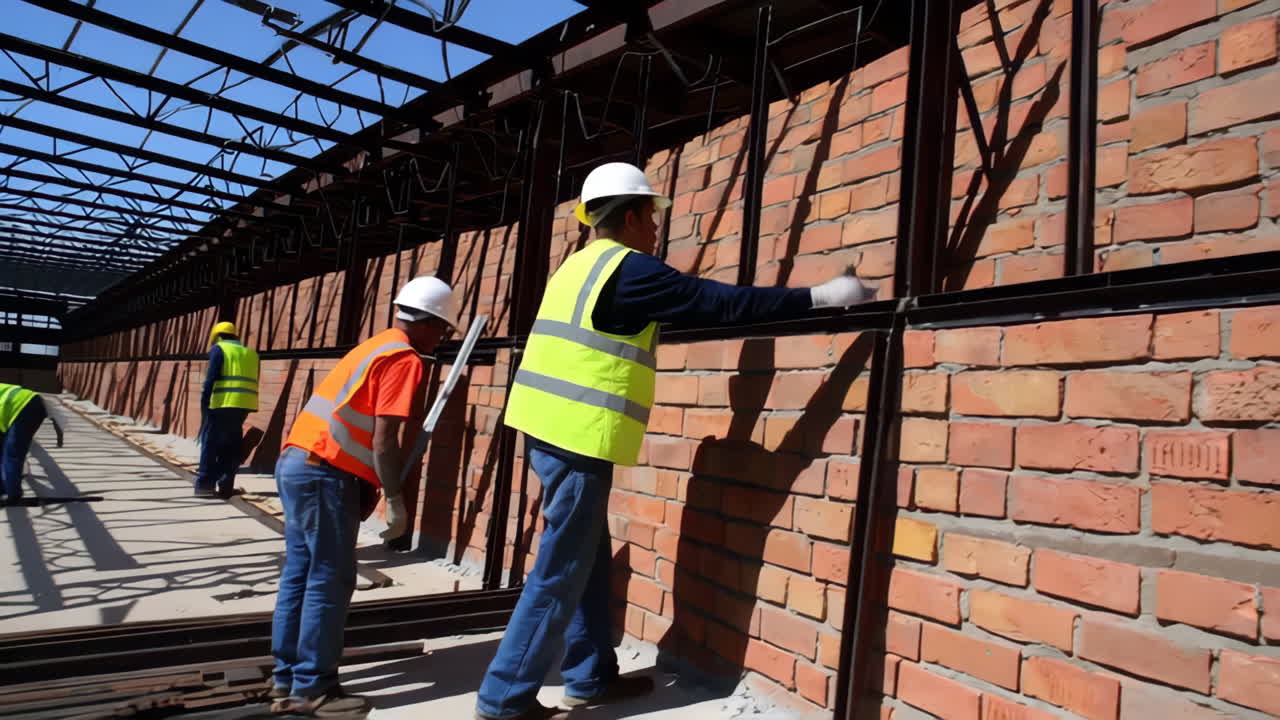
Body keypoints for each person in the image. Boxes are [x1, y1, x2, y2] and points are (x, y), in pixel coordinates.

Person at [475, 162, 873, 720]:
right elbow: (724, 304)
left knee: (586, 555)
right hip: (578, 439)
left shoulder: (576, 267)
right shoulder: (632, 271)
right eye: (653, 216)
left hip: (545, 430)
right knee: (561, 568)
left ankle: (589, 677)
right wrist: (824, 296)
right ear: (633, 215)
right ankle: (504, 700)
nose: (658, 229)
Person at [269, 276, 456, 716]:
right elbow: (385, 439)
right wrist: (395, 497)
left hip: (299, 463)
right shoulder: (404, 358)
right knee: (330, 579)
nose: (441, 340)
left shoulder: (374, 345)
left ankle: (286, 678)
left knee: (301, 572)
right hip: (324, 473)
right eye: (443, 330)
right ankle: (312, 687)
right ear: (429, 323)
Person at [195, 321, 260, 499]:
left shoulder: (219, 349)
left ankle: (204, 485)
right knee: (231, 446)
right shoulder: (251, 354)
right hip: (243, 404)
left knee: (210, 444)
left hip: (221, 404)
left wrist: (204, 402)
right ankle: (225, 486)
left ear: (217, 336)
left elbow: (211, 378)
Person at [0, 382, 49, 504]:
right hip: (27, 402)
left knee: (12, 452)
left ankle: (13, 494)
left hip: (24, 406)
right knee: (7, 451)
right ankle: (5, 489)